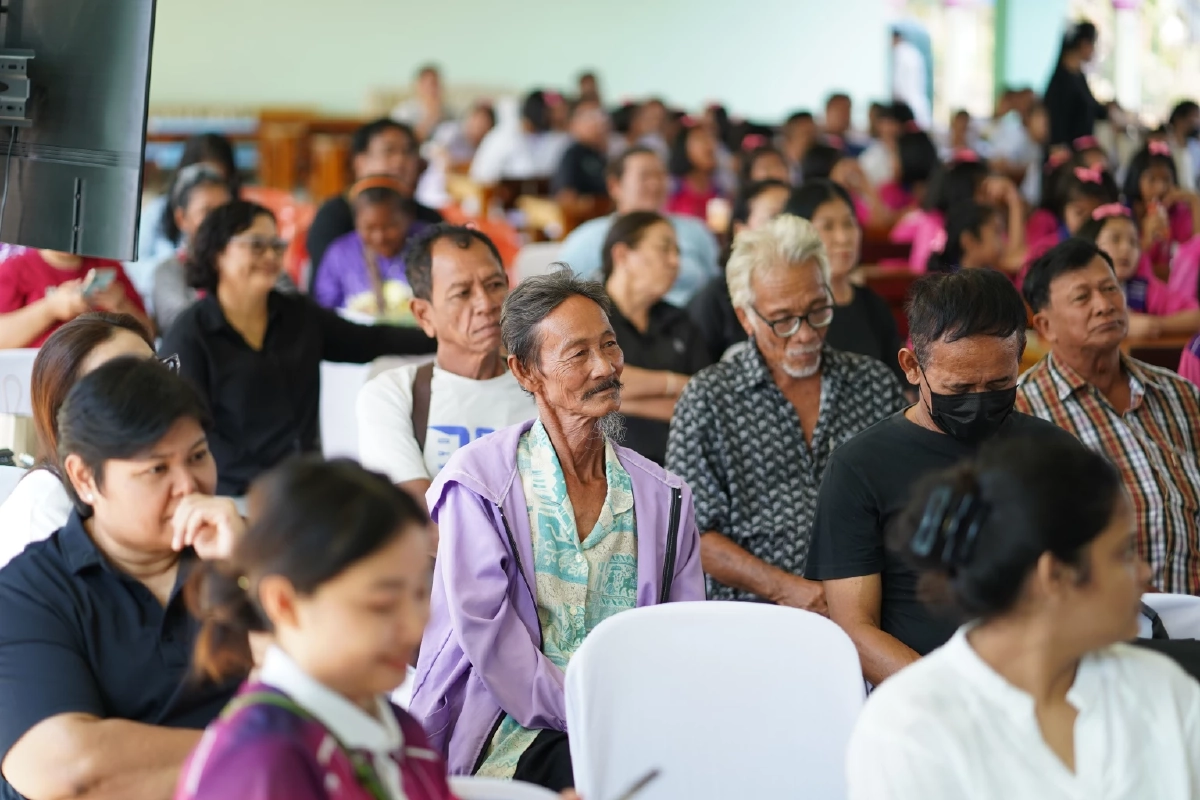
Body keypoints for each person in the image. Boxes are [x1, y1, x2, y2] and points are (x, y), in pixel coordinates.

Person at [408, 270, 705, 790]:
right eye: (578, 354)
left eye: (610, 346)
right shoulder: (480, 484)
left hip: (639, 720)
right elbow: (491, 640)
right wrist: (590, 713)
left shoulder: (664, 496)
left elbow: (682, 633)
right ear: (525, 372)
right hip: (512, 724)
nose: (605, 367)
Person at [846, 436, 1200, 800]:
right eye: (1122, 554)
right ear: (1055, 576)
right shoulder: (910, 728)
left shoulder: (1165, 689)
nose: (1143, 573)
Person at [803, 268, 1079, 685]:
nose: (980, 403)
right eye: (959, 389)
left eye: (1000, 383)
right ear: (912, 367)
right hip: (922, 698)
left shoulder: (1056, 454)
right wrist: (953, 696)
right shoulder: (860, 466)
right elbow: (855, 628)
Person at [0, 356, 248, 800]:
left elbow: (336, 697)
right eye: (156, 469)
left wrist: (250, 569)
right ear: (84, 478)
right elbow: (68, 772)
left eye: (197, 456)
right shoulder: (28, 592)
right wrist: (268, 750)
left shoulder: (241, 552)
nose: (188, 486)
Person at [177, 457, 459, 800]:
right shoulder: (261, 763)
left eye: (420, 594)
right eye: (382, 605)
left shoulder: (399, 729)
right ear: (284, 603)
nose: (415, 627)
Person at [666, 214, 906, 605]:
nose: (807, 333)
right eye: (783, 321)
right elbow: (691, 532)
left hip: (870, 604)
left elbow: (906, 499)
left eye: (818, 310)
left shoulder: (872, 384)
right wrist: (784, 588)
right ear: (746, 317)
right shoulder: (709, 398)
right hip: (755, 613)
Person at [161, 200, 435, 497]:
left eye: (276, 246)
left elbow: (375, 340)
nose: (269, 256)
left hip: (306, 487)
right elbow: (189, 429)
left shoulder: (297, 315)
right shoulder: (191, 335)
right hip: (233, 495)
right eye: (256, 245)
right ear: (217, 253)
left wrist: (443, 331)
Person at [1017, 237, 1200, 595]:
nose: (1104, 305)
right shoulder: (1023, 414)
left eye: (1110, 289)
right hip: (1098, 629)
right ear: (1045, 327)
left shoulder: (1179, 395)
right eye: (1082, 297)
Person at [357, 224, 536, 513]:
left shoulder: (543, 387)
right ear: (423, 314)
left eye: (494, 285)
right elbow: (418, 516)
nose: (486, 304)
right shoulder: (393, 394)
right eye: (462, 293)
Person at [0, 313, 156, 567]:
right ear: (67, 415)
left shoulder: (145, 475)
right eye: (122, 387)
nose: (158, 393)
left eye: (156, 373)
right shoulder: (47, 514)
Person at [601, 211, 711, 464]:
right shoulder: (588, 315)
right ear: (623, 255)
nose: (675, 262)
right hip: (606, 464)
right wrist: (672, 383)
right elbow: (586, 381)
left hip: (679, 464)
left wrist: (614, 398)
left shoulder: (679, 321)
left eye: (678, 252)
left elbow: (702, 395)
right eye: (664, 249)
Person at [556, 146, 720, 306]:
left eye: (661, 175)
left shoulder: (696, 230)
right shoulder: (586, 240)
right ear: (615, 186)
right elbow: (563, 300)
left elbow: (718, 287)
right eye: (645, 176)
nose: (655, 184)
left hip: (694, 325)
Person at [786, 180, 907, 384]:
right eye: (828, 227)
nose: (843, 238)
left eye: (848, 224)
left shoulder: (873, 305)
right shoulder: (788, 310)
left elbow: (898, 384)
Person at [306, 119, 443, 286]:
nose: (400, 161)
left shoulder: (429, 219)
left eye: (408, 152)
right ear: (360, 162)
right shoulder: (333, 216)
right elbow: (321, 293)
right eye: (389, 151)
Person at [687, 179, 790, 362]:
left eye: (793, 217)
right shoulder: (714, 299)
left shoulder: (811, 289)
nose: (787, 228)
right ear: (740, 230)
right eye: (774, 218)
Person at [131, 133, 241, 304]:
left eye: (216, 177)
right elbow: (133, 267)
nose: (207, 181)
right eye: (198, 174)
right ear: (181, 218)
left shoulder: (242, 223)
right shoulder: (156, 213)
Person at [1077, 205, 1200, 340]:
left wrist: (1154, 324)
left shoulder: (1145, 289)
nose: (1126, 249)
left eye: (1134, 242)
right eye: (1115, 239)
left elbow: (1195, 316)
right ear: (1090, 245)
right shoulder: (1075, 287)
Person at [314, 178, 429, 321]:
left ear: (408, 217)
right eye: (369, 228)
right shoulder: (339, 254)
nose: (379, 237)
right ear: (356, 222)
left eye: (389, 227)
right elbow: (325, 310)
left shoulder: (428, 245)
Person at [0, 246, 150, 348]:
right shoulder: (15, 269)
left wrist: (121, 305)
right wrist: (49, 309)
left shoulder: (109, 266)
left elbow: (149, 333)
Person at [152, 164, 236, 332]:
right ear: (182, 218)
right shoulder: (168, 272)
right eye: (207, 211)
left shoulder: (254, 261)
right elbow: (182, 324)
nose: (219, 221)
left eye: (225, 211)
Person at [1122, 141, 1200, 277]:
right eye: (1152, 180)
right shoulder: (1124, 214)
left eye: (1166, 180)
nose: (1160, 188)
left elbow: (1195, 249)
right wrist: (1147, 239)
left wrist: (1194, 200)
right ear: (1136, 180)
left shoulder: (1177, 211)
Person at [469, 89, 571, 184]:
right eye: (553, 113)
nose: (558, 118)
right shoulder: (502, 137)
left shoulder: (555, 140)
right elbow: (483, 177)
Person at [1045, 21, 1106, 147]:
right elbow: (1057, 125)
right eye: (1093, 45)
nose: (1093, 50)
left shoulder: (1079, 76)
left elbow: (1094, 108)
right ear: (1083, 44)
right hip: (1066, 156)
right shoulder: (1062, 82)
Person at [551, 99, 611, 213]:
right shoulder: (572, 155)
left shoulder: (600, 155)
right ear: (574, 124)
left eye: (601, 117)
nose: (599, 123)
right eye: (591, 117)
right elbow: (566, 196)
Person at [925, 202, 1006, 275]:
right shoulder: (955, 288)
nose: (1003, 242)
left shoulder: (995, 279)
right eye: (996, 233)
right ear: (969, 241)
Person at [665, 122, 723, 220]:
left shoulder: (720, 191)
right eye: (701, 139)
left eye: (711, 138)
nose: (710, 145)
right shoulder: (671, 188)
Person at [391, 63, 453, 143]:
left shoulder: (450, 112)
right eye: (430, 84)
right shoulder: (404, 112)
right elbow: (403, 141)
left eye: (437, 84)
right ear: (419, 86)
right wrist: (431, 117)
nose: (433, 89)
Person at [892, 30, 931, 129]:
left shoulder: (901, 52)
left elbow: (898, 82)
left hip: (908, 101)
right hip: (914, 100)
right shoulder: (913, 52)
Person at [1166, 100, 1199, 192]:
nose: (1198, 122)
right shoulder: (1163, 145)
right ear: (1179, 119)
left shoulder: (1195, 147)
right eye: (1195, 116)